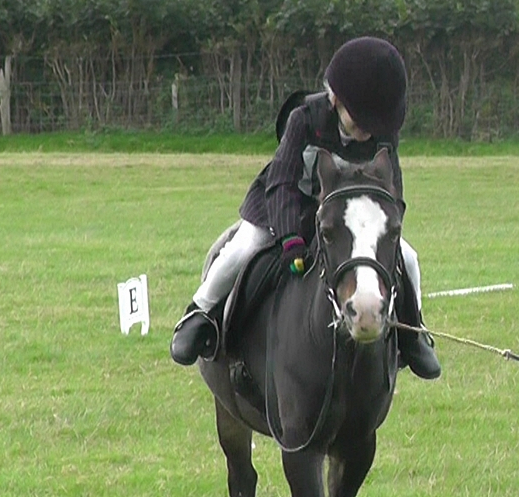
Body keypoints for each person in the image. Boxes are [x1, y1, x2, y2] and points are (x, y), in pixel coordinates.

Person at [170, 36, 441, 380]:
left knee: (409, 258)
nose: (366, 134)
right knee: (244, 247)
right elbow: (281, 182)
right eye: (359, 123)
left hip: (345, 222)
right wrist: (290, 238)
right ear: (335, 99)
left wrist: (386, 228)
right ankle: (200, 313)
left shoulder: (383, 133)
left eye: (373, 127)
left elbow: (392, 193)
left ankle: (413, 334)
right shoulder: (305, 120)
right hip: (283, 208)